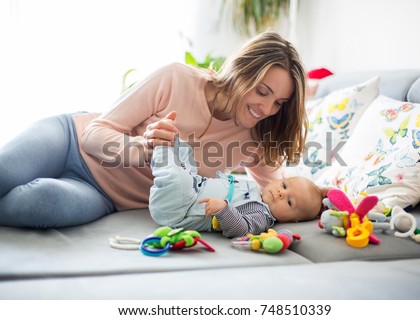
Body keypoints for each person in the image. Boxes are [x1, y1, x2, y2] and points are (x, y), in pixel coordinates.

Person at [0, 30, 308, 229]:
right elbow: (96, 133)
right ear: (242, 72)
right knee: (4, 171)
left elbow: (284, 191)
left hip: (104, 195)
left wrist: (329, 197)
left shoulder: (257, 137)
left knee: (40, 202)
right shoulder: (176, 78)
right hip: (70, 138)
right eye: (262, 92)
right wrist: (144, 149)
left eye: (279, 102)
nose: (267, 110)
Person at [150, 138, 329, 238]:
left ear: (292, 220)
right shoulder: (255, 189)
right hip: (192, 187)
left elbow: (242, 229)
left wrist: (223, 209)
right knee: (184, 150)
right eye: (284, 185)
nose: (282, 193)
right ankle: (165, 139)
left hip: (181, 209)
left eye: (289, 201)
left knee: (176, 179)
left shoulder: (262, 215)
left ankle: (160, 148)